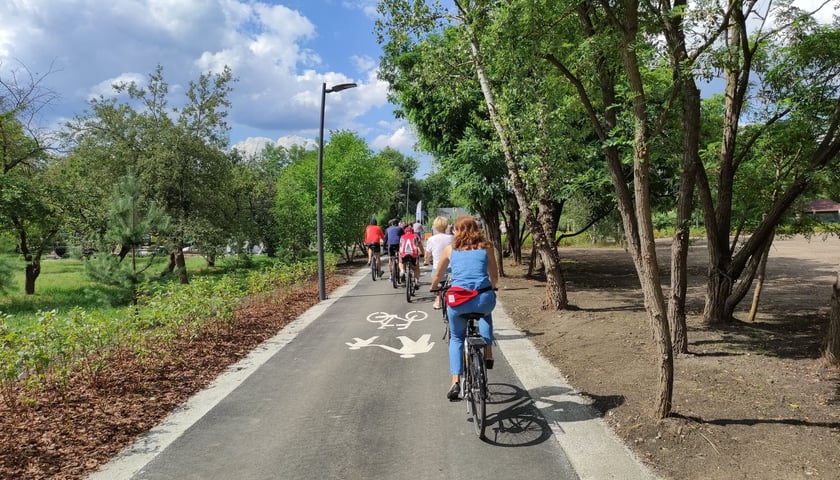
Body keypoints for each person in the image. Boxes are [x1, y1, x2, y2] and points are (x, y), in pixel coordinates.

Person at [429, 215, 499, 400]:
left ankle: (455, 382)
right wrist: (491, 286)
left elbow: (437, 276)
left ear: (457, 231)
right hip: (483, 298)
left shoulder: (450, 249)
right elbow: (495, 276)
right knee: (485, 313)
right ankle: (489, 353)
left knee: (457, 337)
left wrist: (434, 287)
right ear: (476, 229)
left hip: (458, 301)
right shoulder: (487, 247)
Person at [424, 216, 454, 309]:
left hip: (438, 268)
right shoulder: (453, 238)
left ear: (435, 227)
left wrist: (427, 261)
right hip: (451, 268)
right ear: (446, 226)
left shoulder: (431, 239)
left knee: (436, 283)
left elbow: (427, 255)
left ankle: (438, 300)